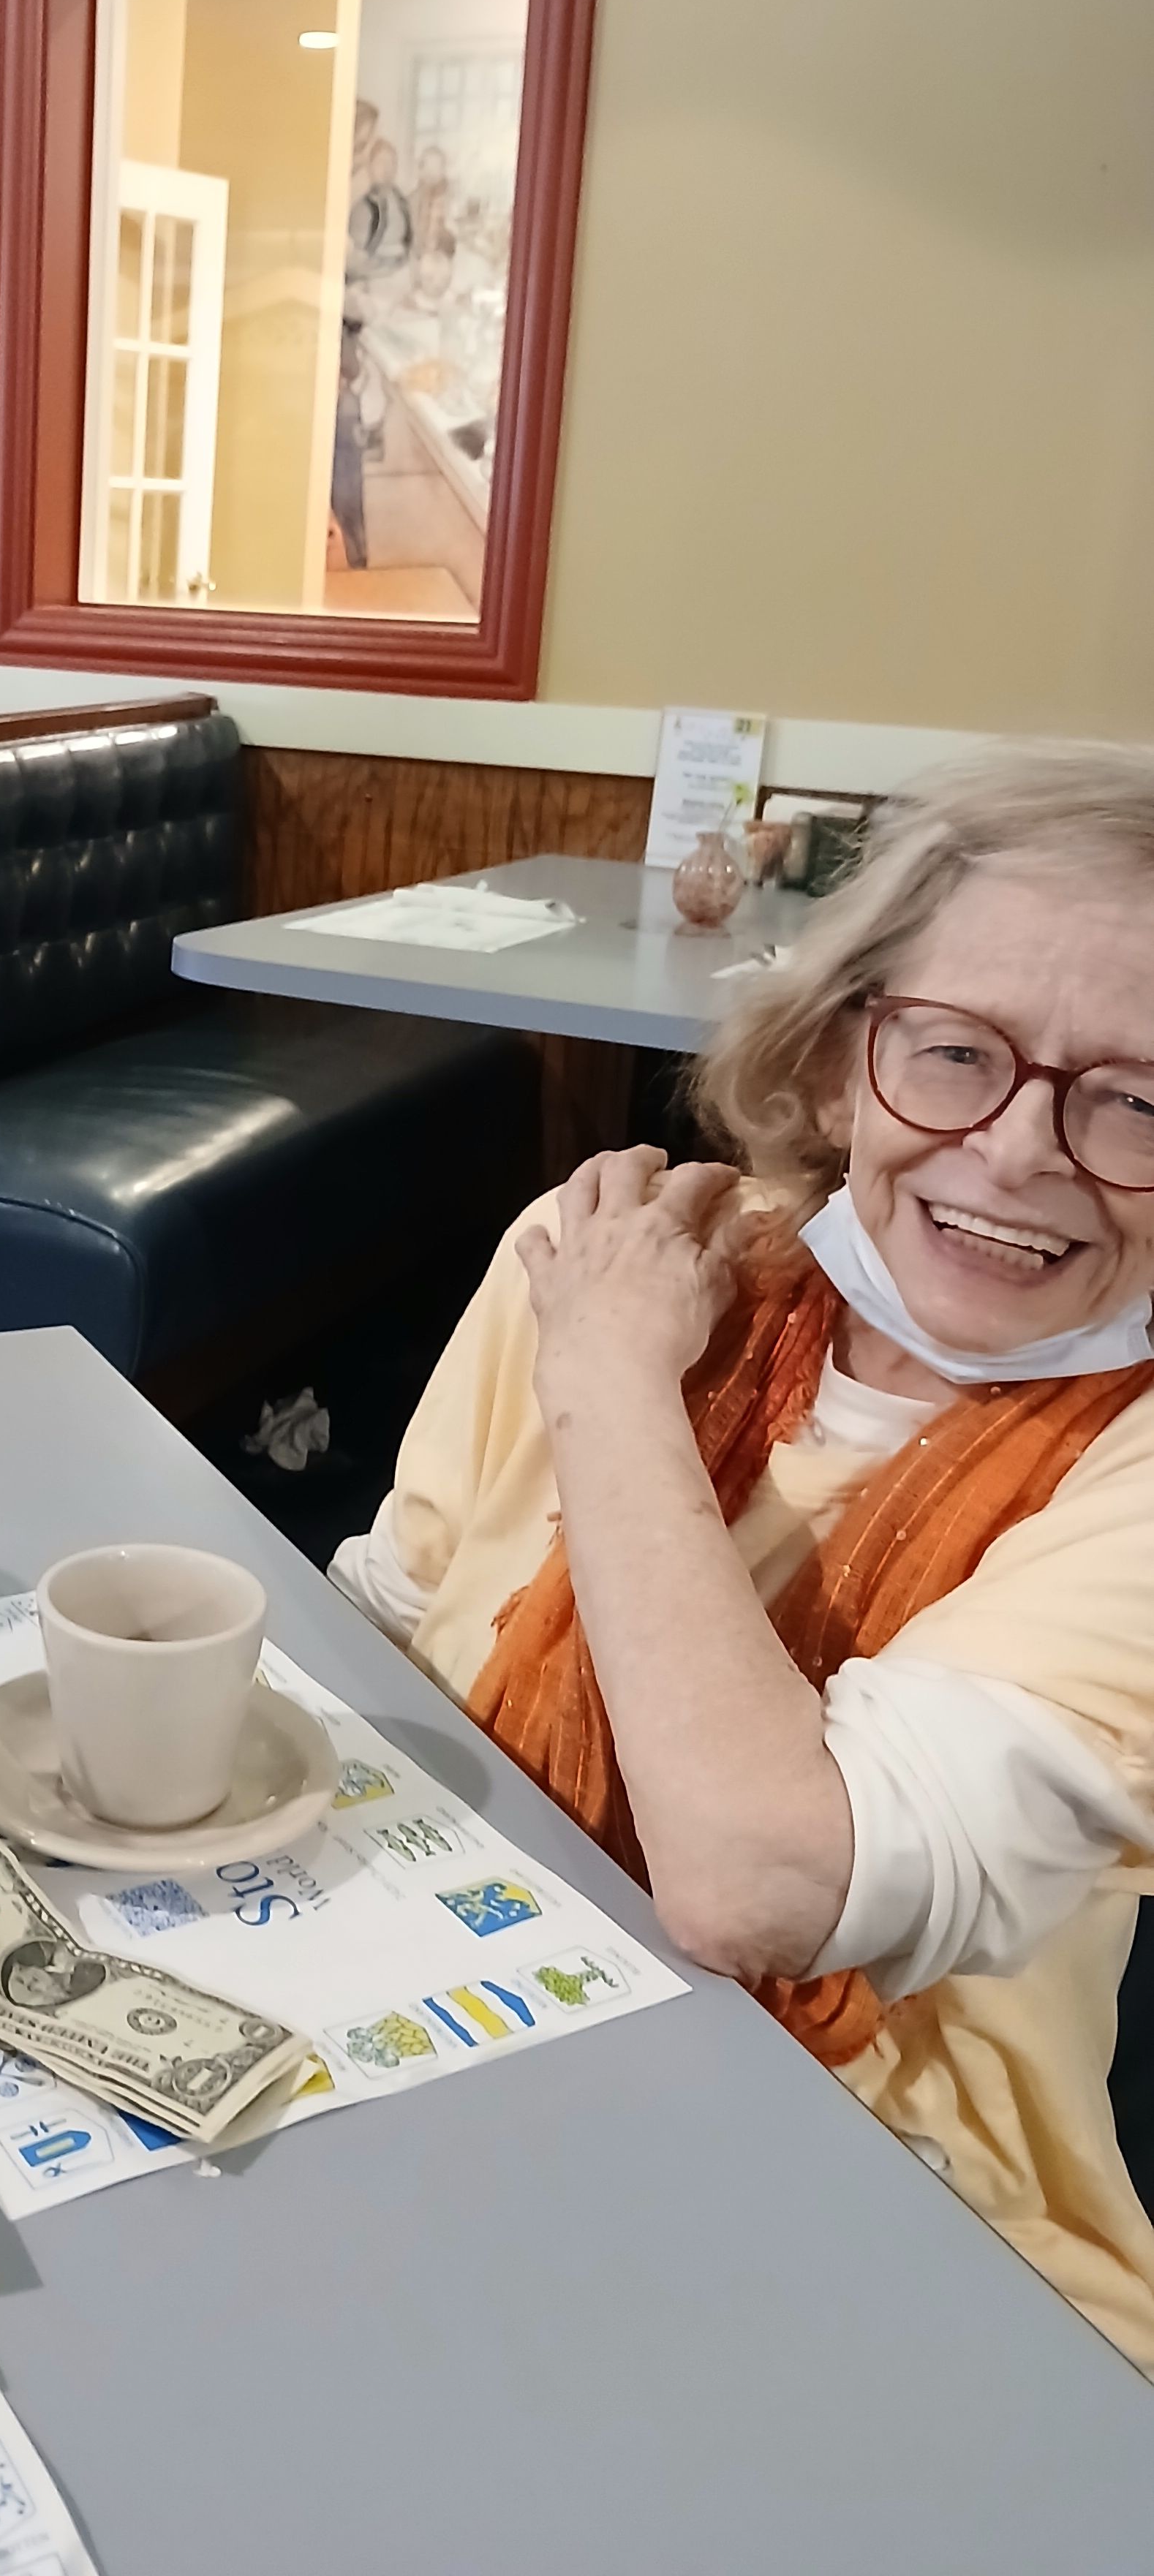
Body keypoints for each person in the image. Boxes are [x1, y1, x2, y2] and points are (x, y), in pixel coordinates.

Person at [331, 741, 1154, 2366]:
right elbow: (385, 1631)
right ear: (841, 1064)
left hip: (894, 2216)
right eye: (954, 1052)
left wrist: (611, 1378)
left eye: (1138, 1100)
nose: (1017, 1151)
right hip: (441, 2022)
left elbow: (765, 1880)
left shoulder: (607, 1316)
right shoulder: (601, 1255)